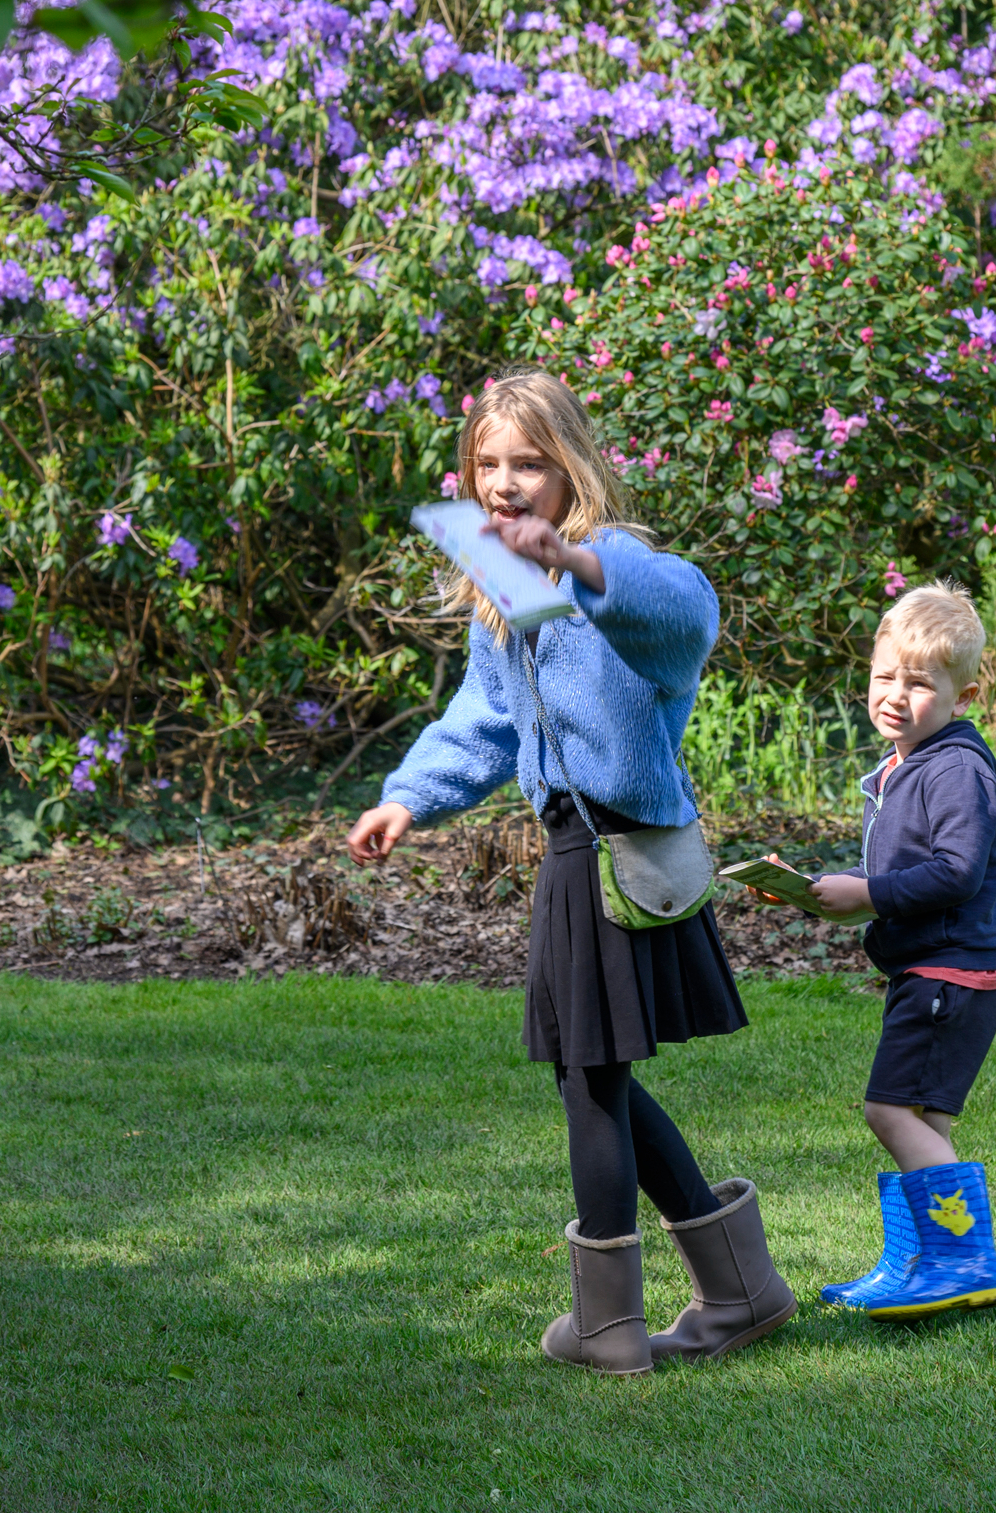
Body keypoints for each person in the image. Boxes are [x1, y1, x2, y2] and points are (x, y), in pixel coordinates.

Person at [348, 370, 793, 1375]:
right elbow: (485, 713)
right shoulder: (500, 592)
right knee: (592, 1072)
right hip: (569, 849)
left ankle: (609, 1325)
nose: (505, 483)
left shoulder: (617, 564)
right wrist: (409, 794)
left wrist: (579, 562)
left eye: (530, 463)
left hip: (619, 850)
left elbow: (688, 619)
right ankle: (739, 1287)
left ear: (572, 467)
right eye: (487, 464)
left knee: (590, 1076)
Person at [800, 580, 996, 1318]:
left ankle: (963, 1260)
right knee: (926, 1125)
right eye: (883, 676)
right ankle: (913, 1260)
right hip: (943, 969)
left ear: (966, 693)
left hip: (947, 972)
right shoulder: (911, 762)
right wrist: (840, 890)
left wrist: (870, 894)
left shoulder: (956, 767)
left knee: (888, 1112)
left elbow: (956, 871)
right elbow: (912, 868)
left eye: (918, 683)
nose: (895, 694)